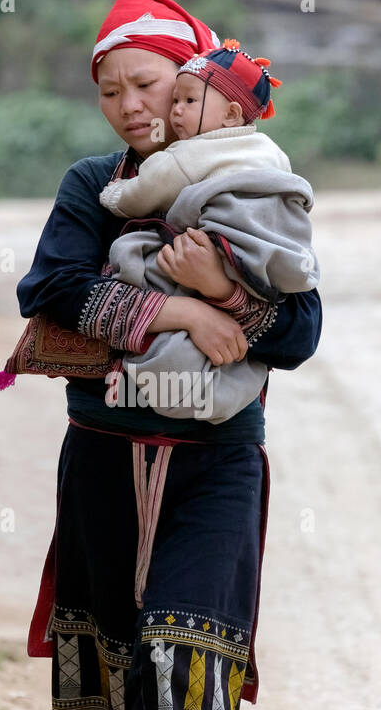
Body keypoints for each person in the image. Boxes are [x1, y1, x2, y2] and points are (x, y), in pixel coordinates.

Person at [13, 0, 323, 710]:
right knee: (117, 643)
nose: (135, 107)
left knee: (181, 638)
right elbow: (50, 287)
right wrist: (178, 307)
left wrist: (230, 295)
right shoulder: (92, 186)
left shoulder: (256, 184)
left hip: (215, 460)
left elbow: (301, 330)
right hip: (104, 450)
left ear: (195, 84)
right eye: (113, 92)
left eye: (150, 85)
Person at [96, 39, 319, 425]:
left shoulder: (186, 155)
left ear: (232, 114)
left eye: (186, 100)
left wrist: (111, 193)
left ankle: (174, 385)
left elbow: (134, 198)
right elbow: (54, 288)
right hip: (271, 259)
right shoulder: (272, 151)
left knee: (135, 251)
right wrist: (198, 311)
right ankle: (219, 393)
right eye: (110, 92)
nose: (175, 111)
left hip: (221, 247)